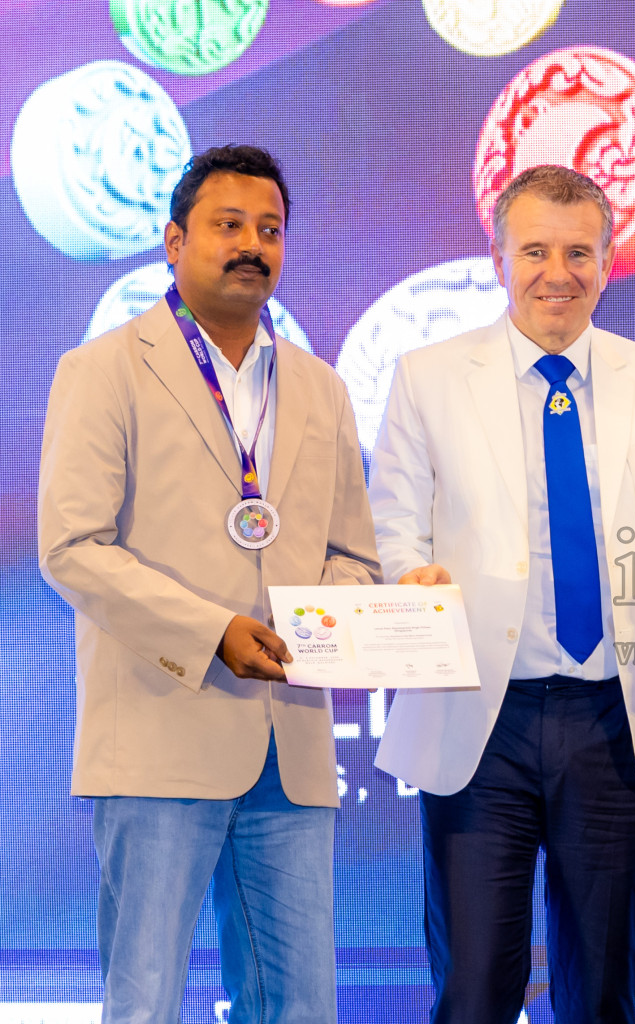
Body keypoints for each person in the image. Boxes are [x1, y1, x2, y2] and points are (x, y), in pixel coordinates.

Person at [368, 164, 635, 1024]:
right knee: (476, 988)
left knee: (601, 991)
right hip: (479, 717)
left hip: (615, 718)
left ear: (609, 260)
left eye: (579, 252)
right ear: (499, 259)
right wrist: (410, 580)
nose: (558, 273)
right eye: (535, 251)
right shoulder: (428, 376)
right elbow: (394, 526)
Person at [38, 144, 380, 1023]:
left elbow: (353, 556)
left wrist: (343, 616)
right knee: (146, 1002)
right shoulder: (103, 368)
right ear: (174, 241)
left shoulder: (322, 389)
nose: (251, 245)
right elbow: (72, 547)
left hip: (291, 744)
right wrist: (212, 631)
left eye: (270, 229)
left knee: (301, 1006)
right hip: (159, 733)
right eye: (229, 225)